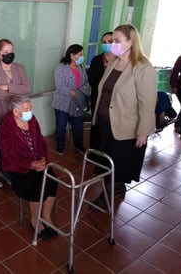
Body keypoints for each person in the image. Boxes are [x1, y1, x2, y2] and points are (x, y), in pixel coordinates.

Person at [91, 24, 157, 206]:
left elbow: (148, 102)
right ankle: (117, 188)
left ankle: (107, 196)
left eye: (117, 41)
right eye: (112, 41)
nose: (113, 44)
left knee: (118, 165)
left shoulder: (142, 67)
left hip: (126, 127)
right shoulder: (113, 62)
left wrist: (143, 131)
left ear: (131, 42)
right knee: (105, 163)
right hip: (105, 123)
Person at [0, 95, 58, 240]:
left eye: (30, 108)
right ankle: (35, 220)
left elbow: (41, 142)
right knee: (34, 184)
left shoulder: (32, 120)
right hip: (17, 166)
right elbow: (8, 155)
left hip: (37, 161)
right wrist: (30, 164)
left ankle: (46, 216)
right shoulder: (6, 126)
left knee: (52, 180)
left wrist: (43, 159)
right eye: (26, 109)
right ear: (16, 112)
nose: (30, 111)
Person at [0, 39, 31, 188]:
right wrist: (15, 92)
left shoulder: (20, 67)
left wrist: (6, 86)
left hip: (17, 114)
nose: (9, 55)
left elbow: (27, 88)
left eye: (11, 52)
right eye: (5, 52)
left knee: (16, 145)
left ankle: (13, 173)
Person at [52, 44, 90, 155]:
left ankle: (79, 146)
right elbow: (60, 85)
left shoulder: (81, 67)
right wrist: (73, 92)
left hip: (77, 102)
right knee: (61, 125)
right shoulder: (61, 67)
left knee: (78, 125)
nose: (82, 56)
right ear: (72, 55)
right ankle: (60, 145)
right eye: (80, 54)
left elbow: (85, 82)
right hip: (62, 102)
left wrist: (79, 93)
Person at [87, 32, 114, 150]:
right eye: (104, 42)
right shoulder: (97, 60)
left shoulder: (119, 61)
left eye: (110, 42)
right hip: (97, 96)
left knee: (109, 125)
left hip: (113, 99)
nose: (107, 44)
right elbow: (91, 79)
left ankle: (106, 151)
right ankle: (93, 151)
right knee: (96, 122)